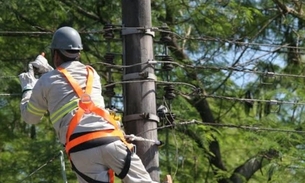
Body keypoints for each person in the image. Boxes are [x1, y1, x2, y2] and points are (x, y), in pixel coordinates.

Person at [19, 26, 157, 183]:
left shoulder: (46, 82)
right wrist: (49, 71)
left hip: (82, 150)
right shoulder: (92, 73)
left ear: (55, 54)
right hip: (110, 140)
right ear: (79, 53)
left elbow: (31, 117)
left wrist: (28, 87)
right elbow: (68, 84)